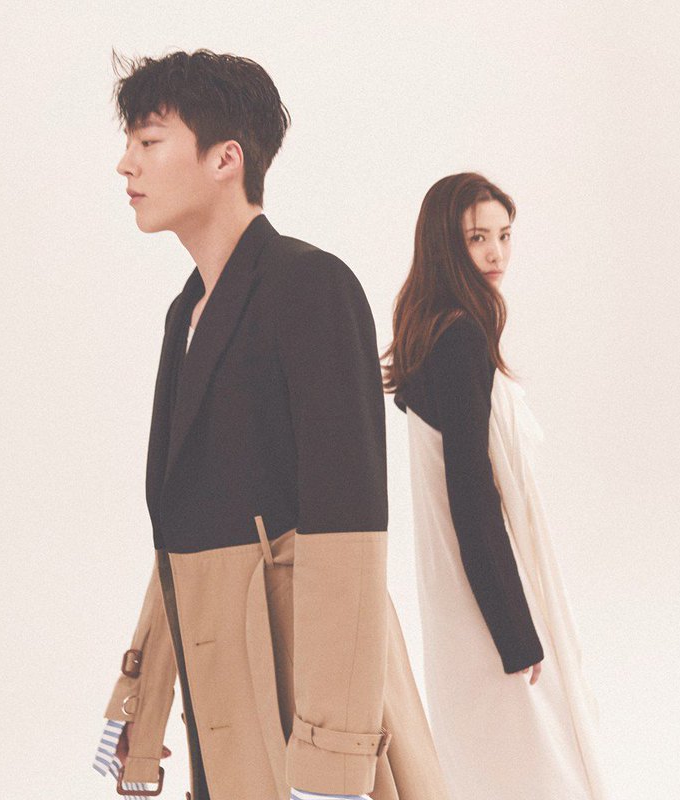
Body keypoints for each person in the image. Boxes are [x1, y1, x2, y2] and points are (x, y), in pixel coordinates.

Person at [90, 49, 447, 800]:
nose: (126, 164)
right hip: (225, 712)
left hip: (310, 713)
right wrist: (138, 711)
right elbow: (182, 536)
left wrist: (332, 762)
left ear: (226, 159)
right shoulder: (185, 315)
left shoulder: (311, 285)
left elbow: (349, 533)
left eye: (148, 141)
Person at [384, 172, 608, 798]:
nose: (495, 254)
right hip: (480, 588)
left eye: (504, 236)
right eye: (477, 238)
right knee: (537, 759)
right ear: (445, 245)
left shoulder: (435, 330)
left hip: (456, 582)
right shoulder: (459, 338)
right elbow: (470, 492)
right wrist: (514, 631)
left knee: (489, 757)